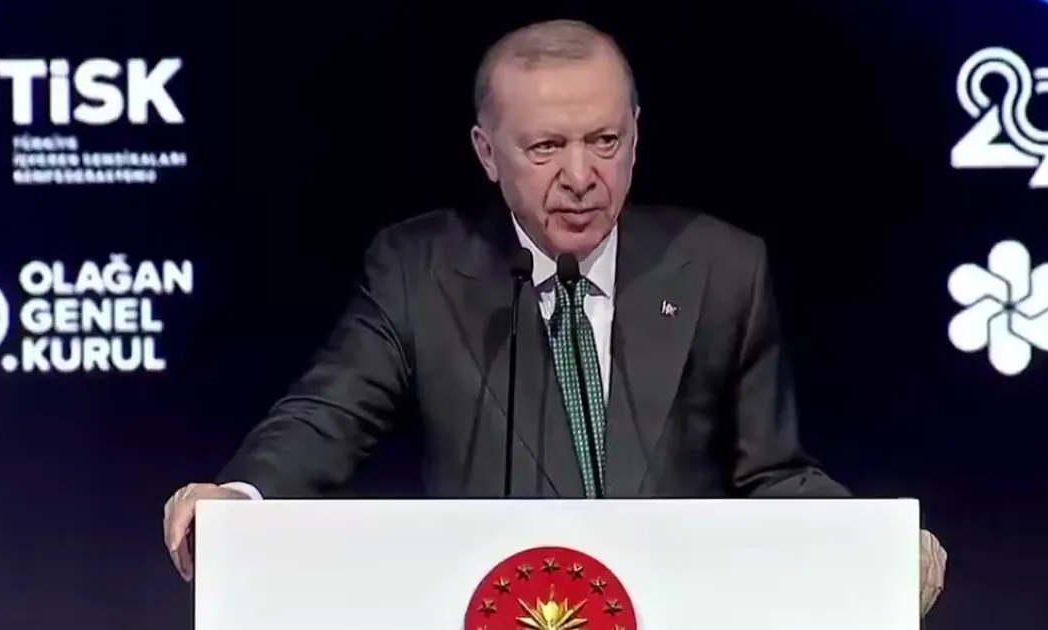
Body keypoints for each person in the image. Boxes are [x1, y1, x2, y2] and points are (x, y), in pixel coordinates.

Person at [162, 19, 947, 614]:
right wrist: (241, 499)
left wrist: (870, 545)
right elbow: (328, 415)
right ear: (487, 152)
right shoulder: (419, 270)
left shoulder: (721, 269)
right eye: (544, 148)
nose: (580, 175)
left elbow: (769, 472)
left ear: (636, 135)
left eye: (605, 140)